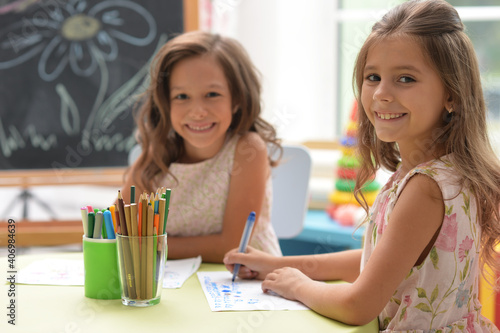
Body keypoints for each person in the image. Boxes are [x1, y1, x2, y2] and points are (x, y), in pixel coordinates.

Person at [223, 0, 500, 331]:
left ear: (452, 95)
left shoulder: (425, 189)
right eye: (373, 77)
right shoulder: (445, 171)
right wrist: (276, 264)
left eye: (406, 78)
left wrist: (297, 285)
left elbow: (358, 306)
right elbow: (382, 264)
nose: (381, 93)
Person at [120, 31, 283, 263]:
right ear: (166, 103)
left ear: (236, 99)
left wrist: (147, 244)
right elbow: (120, 228)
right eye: (182, 96)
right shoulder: (157, 154)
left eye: (212, 94)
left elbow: (231, 246)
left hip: (247, 283)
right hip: (174, 283)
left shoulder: (248, 150)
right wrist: (135, 242)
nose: (197, 111)